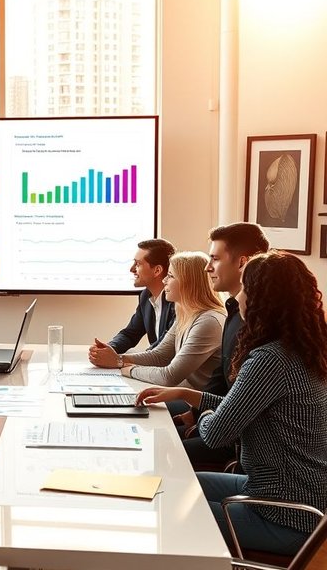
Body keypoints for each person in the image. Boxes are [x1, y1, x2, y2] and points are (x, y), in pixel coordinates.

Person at [136, 252, 327, 556]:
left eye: (244, 289)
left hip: (285, 514)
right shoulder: (301, 350)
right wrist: (188, 395)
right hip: (289, 496)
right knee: (173, 483)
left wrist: (206, 413)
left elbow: (215, 433)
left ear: (263, 300)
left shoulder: (270, 360)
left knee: (166, 504)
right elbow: (241, 406)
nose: (238, 298)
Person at [180, 222, 269, 466]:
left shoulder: (264, 326)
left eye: (215, 259)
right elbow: (223, 373)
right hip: (227, 421)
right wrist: (195, 411)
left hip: (243, 439)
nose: (207, 268)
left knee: (169, 453)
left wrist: (205, 416)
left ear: (243, 262)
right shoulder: (232, 310)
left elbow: (245, 398)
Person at [89, 251, 225, 389]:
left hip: (194, 405)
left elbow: (169, 376)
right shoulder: (187, 314)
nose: (164, 280)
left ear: (188, 282)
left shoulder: (208, 321)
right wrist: (117, 360)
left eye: (170, 276)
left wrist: (124, 367)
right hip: (179, 394)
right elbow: (160, 356)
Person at [94, 238, 176, 354]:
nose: (132, 269)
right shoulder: (145, 296)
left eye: (138, 264)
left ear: (157, 270)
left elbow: (164, 348)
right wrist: (109, 348)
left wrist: (118, 360)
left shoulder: (176, 300)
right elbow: (130, 334)